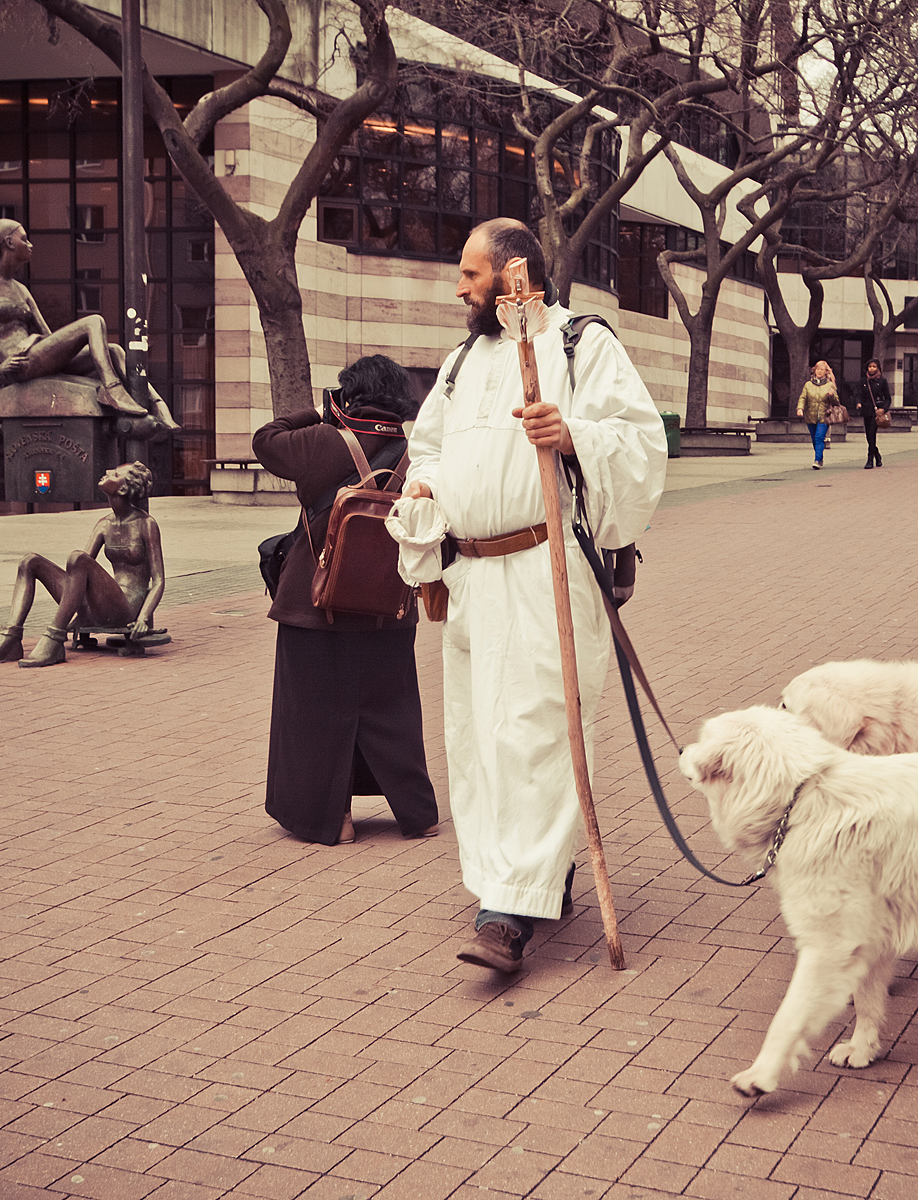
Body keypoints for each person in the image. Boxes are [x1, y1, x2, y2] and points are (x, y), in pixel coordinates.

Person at [402, 218, 666, 972]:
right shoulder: (461, 360)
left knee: (536, 731)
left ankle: (509, 913)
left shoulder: (583, 344)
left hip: (546, 569)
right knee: (484, 741)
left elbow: (643, 442)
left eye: (471, 275)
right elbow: (430, 443)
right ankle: (522, 873)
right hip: (474, 578)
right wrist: (425, 484)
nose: (460, 288)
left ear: (515, 274)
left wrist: (573, 431)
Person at [252, 355, 439, 847]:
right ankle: (417, 814)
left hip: (314, 607)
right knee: (390, 709)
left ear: (349, 394)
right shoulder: (418, 450)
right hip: (391, 603)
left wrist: (319, 411)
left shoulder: (322, 441)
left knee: (314, 715)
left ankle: (332, 820)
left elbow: (265, 440)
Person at [0, 218, 179, 430]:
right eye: (24, 239)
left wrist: (43, 342)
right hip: (19, 364)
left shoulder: (21, 290)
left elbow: (47, 334)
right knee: (94, 321)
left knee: (114, 350)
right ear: (9, 243)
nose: (30, 245)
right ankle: (112, 389)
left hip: (36, 354)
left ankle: (156, 403)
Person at [0, 461, 164, 667]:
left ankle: (55, 638)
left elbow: (158, 580)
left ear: (123, 488)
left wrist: (142, 618)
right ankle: (10, 639)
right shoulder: (103, 524)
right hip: (99, 606)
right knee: (30, 561)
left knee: (77, 558)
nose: (107, 472)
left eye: (114, 474)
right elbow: (78, 575)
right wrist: (80, 612)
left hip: (125, 608)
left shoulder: (146, 524)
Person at [794, 360, 836, 469]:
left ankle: (817, 460)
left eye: (822, 369)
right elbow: (803, 398)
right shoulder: (808, 385)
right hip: (810, 415)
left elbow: (836, 402)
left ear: (826, 372)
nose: (819, 371)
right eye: (817, 369)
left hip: (824, 416)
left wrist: (832, 395)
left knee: (819, 437)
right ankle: (820, 456)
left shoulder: (829, 385)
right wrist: (800, 408)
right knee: (814, 439)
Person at [857, 358, 889, 469]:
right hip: (866, 410)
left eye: (874, 367)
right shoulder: (863, 381)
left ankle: (870, 459)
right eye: (870, 367)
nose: (872, 369)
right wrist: (858, 402)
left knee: (872, 434)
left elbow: (888, 398)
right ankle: (877, 454)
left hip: (877, 412)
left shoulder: (882, 381)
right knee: (868, 436)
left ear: (878, 368)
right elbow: (859, 394)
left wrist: (883, 409)